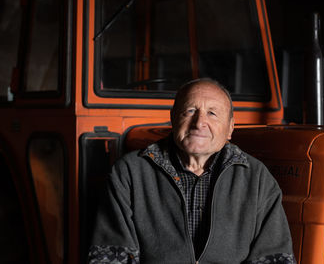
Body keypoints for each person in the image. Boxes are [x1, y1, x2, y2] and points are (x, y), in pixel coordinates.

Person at [88, 78, 296, 264]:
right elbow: (110, 256)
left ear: (230, 128)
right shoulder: (130, 173)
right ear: (173, 118)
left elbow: (274, 259)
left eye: (212, 113)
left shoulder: (257, 179)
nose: (199, 123)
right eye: (189, 111)